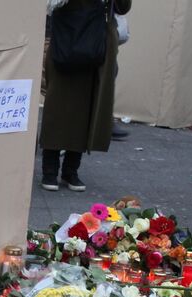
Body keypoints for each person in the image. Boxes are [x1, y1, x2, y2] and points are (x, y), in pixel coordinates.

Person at [41, 0, 133, 192]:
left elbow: (123, 7)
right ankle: (49, 169)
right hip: (67, 36)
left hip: (97, 39)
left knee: (87, 105)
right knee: (58, 105)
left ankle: (71, 170)